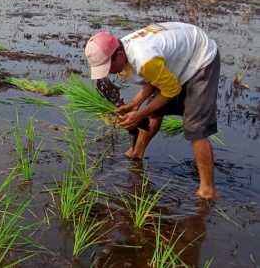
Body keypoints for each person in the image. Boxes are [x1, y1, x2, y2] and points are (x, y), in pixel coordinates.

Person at [84, 22, 220, 200]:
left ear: (118, 54)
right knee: (156, 109)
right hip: (177, 59)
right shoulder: (125, 49)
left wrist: (139, 114)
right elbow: (153, 77)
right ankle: (136, 153)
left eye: (108, 66)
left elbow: (171, 90)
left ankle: (207, 190)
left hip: (200, 59)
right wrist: (135, 103)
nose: (109, 72)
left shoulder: (143, 57)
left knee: (196, 128)